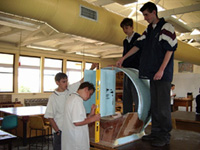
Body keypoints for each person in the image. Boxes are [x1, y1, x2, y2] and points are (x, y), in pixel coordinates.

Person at [116, 2, 178, 147]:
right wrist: (123, 58)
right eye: (143, 15)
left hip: (162, 75)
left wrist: (162, 69)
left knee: (162, 106)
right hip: (152, 74)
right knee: (155, 105)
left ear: (154, 12)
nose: (145, 18)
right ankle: (155, 132)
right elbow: (138, 45)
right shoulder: (148, 30)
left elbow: (170, 49)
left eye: (147, 14)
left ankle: (164, 135)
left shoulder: (166, 27)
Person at [44, 64, 97, 150]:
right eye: (63, 82)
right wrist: (57, 131)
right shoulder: (53, 97)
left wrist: (92, 68)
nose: (66, 84)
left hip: (69, 130)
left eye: (67, 81)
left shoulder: (69, 90)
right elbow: (50, 117)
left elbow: (81, 82)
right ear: (57, 83)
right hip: (60, 131)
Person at [62, 82, 101, 150]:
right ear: (86, 89)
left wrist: (91, 114)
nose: (89, 97)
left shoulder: (72, 97)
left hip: (71, 139)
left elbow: (81, 120)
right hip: (76, 141)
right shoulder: (77, 100)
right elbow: (77, 122)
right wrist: (94, 118)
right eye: (90, 94)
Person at [120, 18, 141, 114]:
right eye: (123, 29)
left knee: (135, 94)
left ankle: (137, 116)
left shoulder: (138, 38)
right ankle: (126, 115)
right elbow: (124, 54)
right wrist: (122, 63)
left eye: (127, 28)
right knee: (126, 95)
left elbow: (136, 54)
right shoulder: (125, 41)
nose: (125, 30)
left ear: (132, 27)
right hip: (127, 70)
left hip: (136, 70)